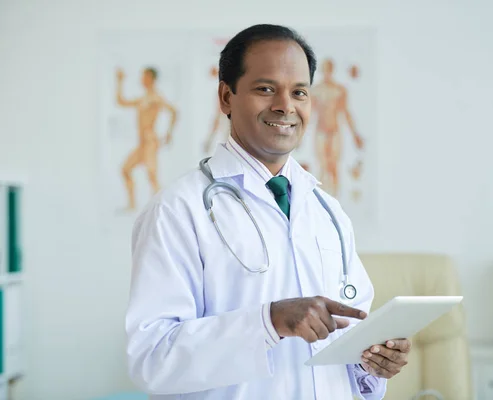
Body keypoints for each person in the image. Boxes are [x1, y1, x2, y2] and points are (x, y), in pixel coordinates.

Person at [125, 24, 411, 400]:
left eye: (299, 92)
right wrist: (269, 320)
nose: (285, 106)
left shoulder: (327, 211)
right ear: (226, 97)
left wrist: (372, 361)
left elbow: (347, 334)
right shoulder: (178, 209)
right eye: (266, 89)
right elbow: (152, 360)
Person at [116, 67, 178, 211]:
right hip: (142, 143)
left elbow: (174, 111)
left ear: (151, 78)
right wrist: (119, 81)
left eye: (144, 76)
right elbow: (121, 101)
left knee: (152, 176)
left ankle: (163, 209)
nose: (142, 79)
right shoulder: (142, 99)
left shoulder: (156, 97)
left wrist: (169, 133)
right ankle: (131, 205)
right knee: (125, 169)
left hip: (150, 142)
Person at [312, 58, 364, 197]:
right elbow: (309, 115)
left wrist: (355, 135)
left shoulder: (339, 90)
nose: (327, 72)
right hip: (320, 132)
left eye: (329, 69)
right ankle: (320, 203)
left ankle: (334, 201)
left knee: (334, 166)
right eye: (325, 69)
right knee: (323, 166)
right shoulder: (315, 91)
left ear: (332, 70)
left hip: (334, 132)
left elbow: (346, 113)